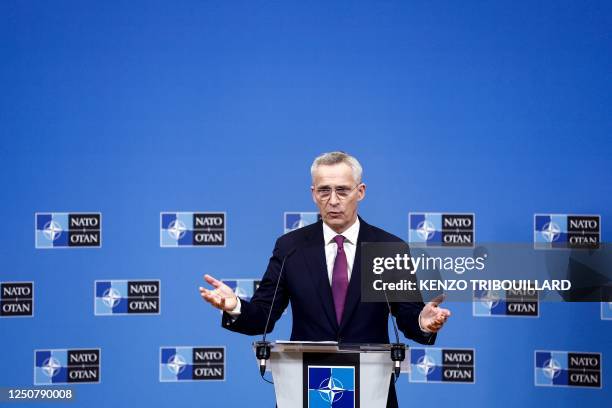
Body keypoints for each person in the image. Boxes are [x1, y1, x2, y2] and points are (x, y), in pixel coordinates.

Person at [200, 151, 451, 407]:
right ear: (313, 194)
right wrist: (235, 307)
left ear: (360, 191)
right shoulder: (290, 248)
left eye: (342, 190)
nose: (333, 200)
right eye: (324, 191)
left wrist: (423, 320)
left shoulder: (387, 247)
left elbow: (408, 317)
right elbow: (264, 316)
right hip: (305, 386)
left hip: (371, 388)